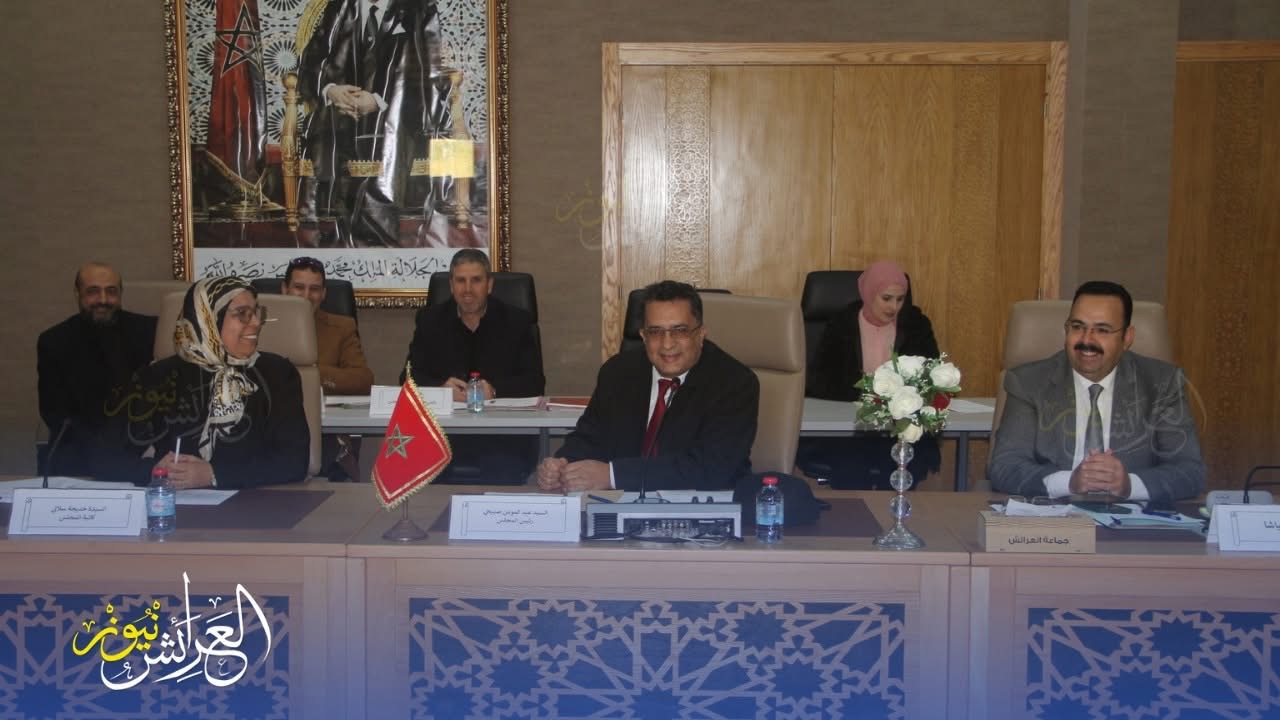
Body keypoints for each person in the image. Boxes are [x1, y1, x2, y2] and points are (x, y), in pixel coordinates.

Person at [988, 281, 1205, 503]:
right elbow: (1005, 467)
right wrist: (1069, 482)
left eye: (1102, 330)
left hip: (1130, 516)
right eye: (1077, 327)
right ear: (1066, 330)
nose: (1087, 340)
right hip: (1052, 514)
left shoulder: (1162, 384)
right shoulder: (1029, 383)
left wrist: (1129, 484)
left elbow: (1190, 471)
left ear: (1127, 338)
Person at [537, 280, 759, 493]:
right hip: (621, 503)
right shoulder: (618, 372)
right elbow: (591, 436)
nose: (667, 344)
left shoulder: (734, 382)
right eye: (655, 332)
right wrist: (563, 464)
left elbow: (711, 466)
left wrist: (612, 475)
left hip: (706, 506)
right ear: (643, 336)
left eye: (680, 330)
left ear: (700, 334)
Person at [96, 277, 309, 488]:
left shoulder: (276, 374)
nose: (255, 323)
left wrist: (213, 474)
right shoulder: (158, 377)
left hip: (256, 501)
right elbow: (103, 457)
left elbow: (294, 461)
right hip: (177, 502)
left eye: (255, 312)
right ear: (207, 319)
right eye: (242, 314)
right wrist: (155, 471)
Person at [297, 0, 444, 248]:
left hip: (397, 119)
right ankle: (330, 234)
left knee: (386, 142)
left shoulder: (419, 7)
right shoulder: (340, 6)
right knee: (327, 133)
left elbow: (429, 72)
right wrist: (331, 90)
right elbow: (311, 62)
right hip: (340, 117)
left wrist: (379, 101)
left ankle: (377, 241)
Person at [401, 248, 544, 482]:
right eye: (460, 281)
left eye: (476, 280)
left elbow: (534, 382)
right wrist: (440, 389)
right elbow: (408, 377)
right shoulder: (430, 320)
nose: (467, 289)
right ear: (451, 285)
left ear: (489, 285)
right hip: (444, 431)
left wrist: (494, 391)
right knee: (425, 466)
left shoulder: (516, 321)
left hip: (502, 433)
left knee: (501, 468)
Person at [802, 260, 941, 488]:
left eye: (900, 299)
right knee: (851, 468)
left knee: (899, 465)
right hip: (847, 430)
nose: (893, 307)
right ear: (869, 293)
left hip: (899, 429)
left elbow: (929, 375)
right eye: (886, 298)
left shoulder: (915, 324)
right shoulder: (841, 324)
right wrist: (868, 392)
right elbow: (821, 381)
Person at [36, 263, 157, 476]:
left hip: (139, 449)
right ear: (77, 293)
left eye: (111, 291)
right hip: (78, 453)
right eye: (93, 291)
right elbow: (55, 414)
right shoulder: (54, 341)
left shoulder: (150, 331)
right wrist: (105, 454)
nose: (103, 300)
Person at [283, 256, 373, 480]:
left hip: (325, 433)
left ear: (323, 294)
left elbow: (363, 380)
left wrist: (310, 374)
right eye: (299, 287)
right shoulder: (260, 325)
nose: (306, 296)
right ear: (284, 289)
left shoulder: (341, 327)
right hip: (275, 428)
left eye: (314, 289)